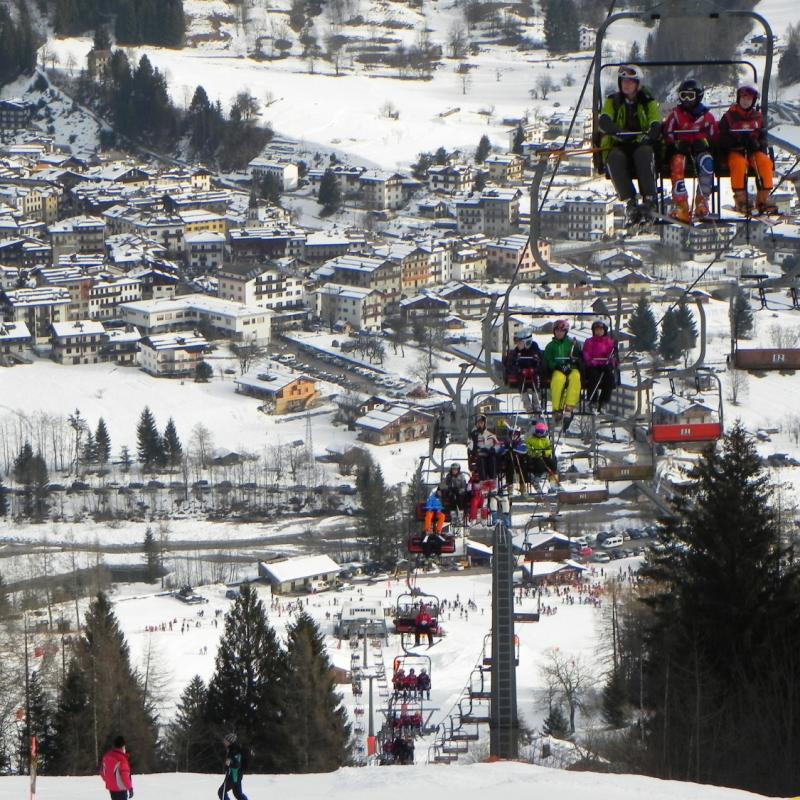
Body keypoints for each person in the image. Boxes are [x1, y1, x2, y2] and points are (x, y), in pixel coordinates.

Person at [597, 65, 662, 226]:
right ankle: (630, 202)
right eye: (624, 81)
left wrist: (648, 137)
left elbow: (655, 123)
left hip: (641, 143)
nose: (626, 85)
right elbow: (604, 120)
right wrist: (618, 132)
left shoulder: (648, 102)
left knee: (644, 154)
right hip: (621, 143)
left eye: (631, 82)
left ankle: (649, 199)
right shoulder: (613, 101)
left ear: (637, 84)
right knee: (614, 158)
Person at [662, 79, 718, 222]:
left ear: (698, 96)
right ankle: (681, 205)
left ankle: (702, 200)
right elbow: (668, 133)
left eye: (690, 96)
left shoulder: (706, 117)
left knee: (707, 162)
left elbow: (714, 136)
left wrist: (704, 142)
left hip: (700, 151)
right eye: (683, 96)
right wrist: (677, 143)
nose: (686, 100)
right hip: (682, 150)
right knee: (677, 163)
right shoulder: (675, 115)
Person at [719, 82, 778, 215]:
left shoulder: (757, 117)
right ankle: (741, 200)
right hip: (736, 151)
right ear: (738, 98)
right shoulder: (729, 117)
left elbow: (763, 137)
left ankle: (763, 198)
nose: (746, 101)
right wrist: (736, 141)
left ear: (753, 100)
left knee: (765, 162)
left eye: (749, 99)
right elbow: (722, 137)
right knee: (739, 164)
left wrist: (757, 144)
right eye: (743, 98)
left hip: (753, 151)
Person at [543, 320, 581, 431]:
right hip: (558, 369)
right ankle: (557, 409)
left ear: (565, 332)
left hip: (571, 368)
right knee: (558, 380)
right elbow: (548, 360)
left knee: (575, 377)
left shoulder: (571, 343)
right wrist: (557, 366)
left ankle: (569, 407)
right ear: (554, 332)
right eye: (557, 331)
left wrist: (572, 362)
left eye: (562, 331)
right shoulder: (550, 346)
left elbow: (577, 357)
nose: (559, 333)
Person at [503, 328, 544, 410]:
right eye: (517, 342)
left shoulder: (535, 349)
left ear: (527, 342)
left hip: (534, 372)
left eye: (520, 342)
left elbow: (541, 363)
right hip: (522, 372)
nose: (518, 344)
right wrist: (519, 370)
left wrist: (535, 369)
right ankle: (526, 402)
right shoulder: (516, 351)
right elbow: (510, 364)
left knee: (536, 378)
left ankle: (536, 402)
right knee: (520, 377)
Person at [581, 321, 618, 412]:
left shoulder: (609, 342)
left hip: (605, 366)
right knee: (594, 377)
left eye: (600, 330)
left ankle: (604, 402)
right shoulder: (589, 342)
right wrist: (593, 363)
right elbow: (586, 354)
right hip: (593, 366)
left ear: (604, 331)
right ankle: (593, 401)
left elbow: (613, 356)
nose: (598, 332)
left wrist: (611, 363)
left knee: (609, 378)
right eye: (596, 330)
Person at [525, 421, 558, 494]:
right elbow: (528, 449)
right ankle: (537, 479)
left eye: (541, 432)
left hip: (544, 456)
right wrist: (535, 453)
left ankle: (553, 483)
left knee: (553, 462)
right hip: (535, 457)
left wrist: (545, 452)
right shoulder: (531, 440)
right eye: (538, 431)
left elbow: (549, 449)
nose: (539, 433)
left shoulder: (546, 440)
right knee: (540, 464)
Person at [99, 736, 133, 800]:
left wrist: (109, 780)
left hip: (111, 788)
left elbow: (102, 772)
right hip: (121, 789)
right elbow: (125, 776)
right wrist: (130, 788)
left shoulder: (106, 757)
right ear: (123, 746)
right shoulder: (122, 759)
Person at [468, 414, 500, 481]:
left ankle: (492, 480)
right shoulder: (473, 434)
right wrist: (475, 447)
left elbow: (497, 444)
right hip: (479, 454)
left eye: (481, 423)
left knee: (493, 459)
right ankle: (483, 481)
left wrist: (493, 449)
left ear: (485, 423)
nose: (480, 424)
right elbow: (470, 446)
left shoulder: (490, 433)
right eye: (478, 423)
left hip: (489, 453)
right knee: (481, 461)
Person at [218, 733, 248, 800]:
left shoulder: (235, 750)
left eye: (226, 741)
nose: (224, 742)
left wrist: (229, 764)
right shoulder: (232, 749)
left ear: (230, 742)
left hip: (234, 775)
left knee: (221, 792)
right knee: (238, 794)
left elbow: (236, 764)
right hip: (237, 776)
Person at [501, 426, 528, 496]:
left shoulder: (521, 442)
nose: (514, 436)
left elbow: (524, 450)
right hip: (510, 461)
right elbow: (501, 450)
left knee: (524, 466)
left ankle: (523, 486)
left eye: (516, 434)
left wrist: (514, 449)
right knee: (509, 465)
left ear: (518, 434)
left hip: (519, 461)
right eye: (512, 434)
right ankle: (510, 486)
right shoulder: (507, 442)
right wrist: (507, 448)